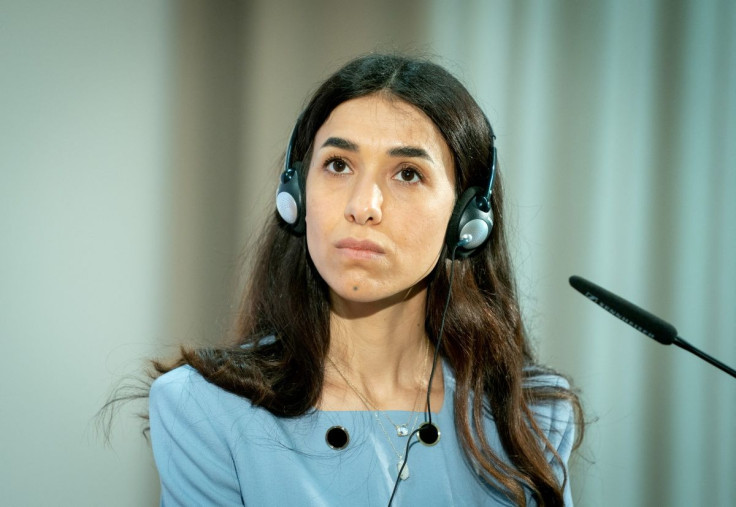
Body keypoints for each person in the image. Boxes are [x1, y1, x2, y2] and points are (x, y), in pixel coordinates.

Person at [148, 53, 583, 506]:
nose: (364, 205)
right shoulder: (203, 409)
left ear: (466, 219)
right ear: (295, 195)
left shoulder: (529, 415)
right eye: (338, 165)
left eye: (408, 174)